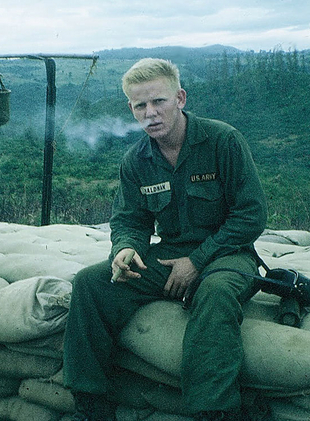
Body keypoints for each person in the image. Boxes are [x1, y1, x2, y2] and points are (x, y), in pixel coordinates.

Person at [63, 58, 267, 421]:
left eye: (159, 101)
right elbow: (130, 219)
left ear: (180, 98)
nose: (150, 113)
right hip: (171, 254)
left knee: (216, 293)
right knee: (90, 284)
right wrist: (125, 248)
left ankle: (213, 411)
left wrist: (197, 261)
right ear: (131, 108)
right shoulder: (137, 159)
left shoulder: (222, 140)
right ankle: (90, 404)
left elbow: (250, 216)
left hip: (228, 253)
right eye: (140, 105)